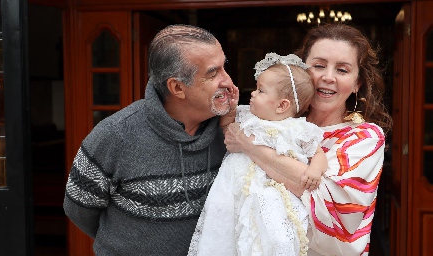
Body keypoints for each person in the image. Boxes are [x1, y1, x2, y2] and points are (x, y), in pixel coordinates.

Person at [63, 24, 238, 255]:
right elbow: (79, 208)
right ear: (177, 87)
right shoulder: (116, 135)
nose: (227, 80)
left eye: (224, 67)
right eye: (212, 73)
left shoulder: (233, 129)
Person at [224, 23, 392, 256]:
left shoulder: (364, 137)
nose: (328, 77)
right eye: (319, 65)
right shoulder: (273, 121)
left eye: (342, 70)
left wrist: (250, 146)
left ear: (357, 84)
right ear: (301, 72)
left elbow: (329, 205)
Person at [188, 53, 328, 256]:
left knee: (271, 235)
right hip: (232, 189)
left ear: (282, 105)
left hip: (271, 195)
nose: (253, 94)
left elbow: (318, 153)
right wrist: (230, 111)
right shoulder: (247, 117)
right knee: (224, 232)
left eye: (261, 91)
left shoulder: (298, 129)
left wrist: (315, 170)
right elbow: (228, 130)